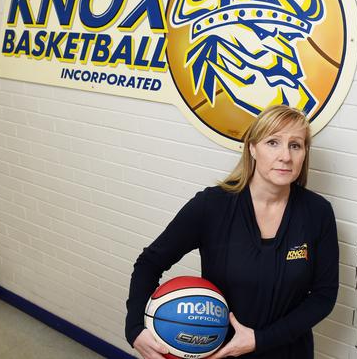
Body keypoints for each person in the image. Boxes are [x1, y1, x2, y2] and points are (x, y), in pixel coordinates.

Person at [125, 105, 339, 359]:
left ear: (304, 153)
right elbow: (149, 263)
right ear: (252, 148)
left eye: (295, 145)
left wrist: (260, 340)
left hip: (290, 352)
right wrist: (135, 328)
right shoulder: (212, 206)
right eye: (273, 142)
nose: (285, 156)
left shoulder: (317, 212)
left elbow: (324, 296)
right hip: (221, 353)